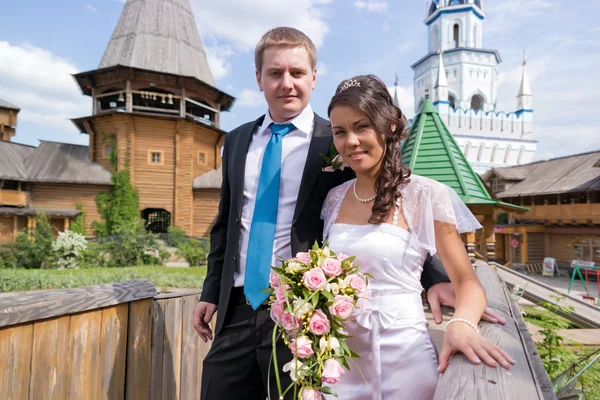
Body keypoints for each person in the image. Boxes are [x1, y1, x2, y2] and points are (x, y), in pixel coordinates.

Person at [192, 27, 502, 400]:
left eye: (297, 72)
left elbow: (392, 206)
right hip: (237, 308)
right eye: (275, 73)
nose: (286, 83)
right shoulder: (238, 139)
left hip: (305, 314)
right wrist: (211, 289)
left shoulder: (334, 140)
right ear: (258, 78)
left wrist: (435, 275)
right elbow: (227, 221)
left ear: (313, 77)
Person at [321, 74, 515, 400]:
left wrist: (461, 324)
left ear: (390, 127)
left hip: (405, 362)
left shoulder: (426, 194)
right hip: (341, 364)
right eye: (340, 132)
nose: (351, 140)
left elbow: (467, 282)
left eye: (362, 127)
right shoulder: (334, 199)